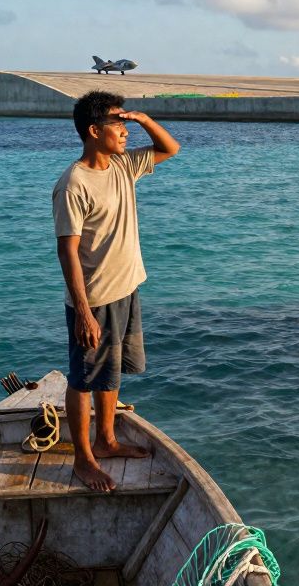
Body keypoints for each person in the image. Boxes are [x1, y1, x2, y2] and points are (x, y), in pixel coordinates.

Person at [52, 90, 180, 491]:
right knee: (83, 378)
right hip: (95, 299)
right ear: (94, 131)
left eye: (126, 125)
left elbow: (170, 148)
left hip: (127, 288)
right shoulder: (73, 183)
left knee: (112, 372)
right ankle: (83, 459)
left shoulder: (123, 166)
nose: (124, 132)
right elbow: (67, 250)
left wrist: (142, 118)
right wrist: (84, 312)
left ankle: (106, 440)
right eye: (117, 124)